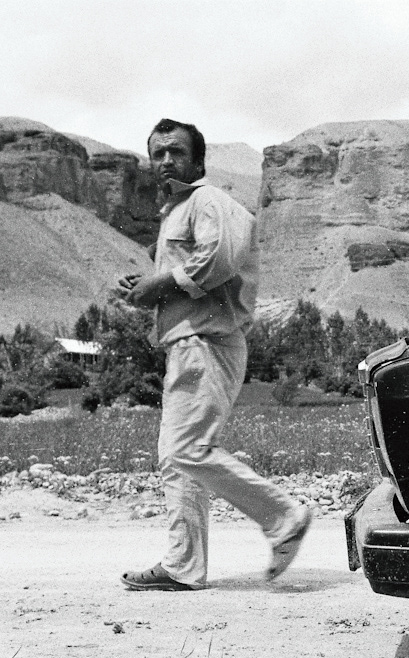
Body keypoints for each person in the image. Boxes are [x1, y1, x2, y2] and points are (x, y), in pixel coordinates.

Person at [118, 118, 310, 591]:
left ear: (198, 161)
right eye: (158, 153)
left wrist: (158, 283)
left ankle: (284, 515)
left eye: (176, 152)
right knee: (176, 458)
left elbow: (220, 257)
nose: (166, 161)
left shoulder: (209, 201)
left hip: (207, 343)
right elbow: (191, 273)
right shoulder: (178, 211)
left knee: (187, 450)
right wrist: (147, 290)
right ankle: (184, 566)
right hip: (189, 344)